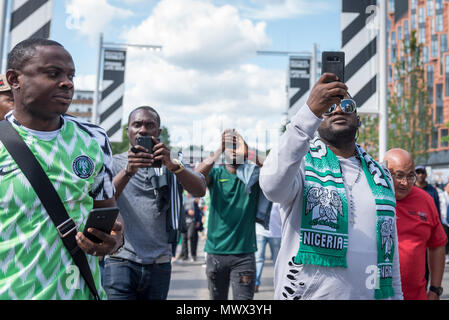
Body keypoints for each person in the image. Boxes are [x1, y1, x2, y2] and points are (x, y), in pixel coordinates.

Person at [259, 73, 403, 300]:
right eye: (328, 108)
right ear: (317, 119)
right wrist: (307, 113)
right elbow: (271, 186)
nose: (337, 110)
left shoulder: (381, 177)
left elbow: (390, 255)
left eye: (346, 104)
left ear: (358, 118)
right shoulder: (300, 165)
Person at [0, 38, 123, 300]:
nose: (68, 83)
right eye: (53, 73)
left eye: (71, 75)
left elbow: (109, 214)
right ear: (14, 79)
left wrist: (113, 241)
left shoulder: (94, 139)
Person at [103, 106, 206, 300]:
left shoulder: (173, 162)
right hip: (120, 260)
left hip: (159, 262)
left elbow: (200, 189)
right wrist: (128, 171)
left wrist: (174, 166)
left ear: (158, 132)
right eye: (137, 125)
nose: (143, 130)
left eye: (150, 125)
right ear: (128, 131)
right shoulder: (113, 162)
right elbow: (102, 199)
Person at [195, 129, 271, 300]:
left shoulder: (254, 176)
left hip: (244, 254)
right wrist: (219, 149)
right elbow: (197, 174)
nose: (234, 151)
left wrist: (249, 153)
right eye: (230, 148)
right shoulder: (216, 173)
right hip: (216, 253)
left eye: (238, 148)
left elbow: (273, 169)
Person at [384, 149, 447, 300]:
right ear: (384, 171)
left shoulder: (425, 200)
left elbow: (437, 245)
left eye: (410, 176)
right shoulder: (369, 195)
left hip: (416, 295)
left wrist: (435, 288)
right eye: (399, 176)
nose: (405, 183)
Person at [255, 202, 281, 293]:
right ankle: (255, 284)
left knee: (277, 261)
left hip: (277, 232)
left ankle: (278, 284)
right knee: (258, 259)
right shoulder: (261, 193)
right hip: (260, 231)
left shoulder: (282, 192)